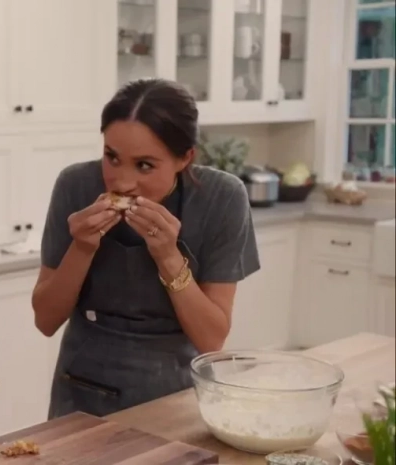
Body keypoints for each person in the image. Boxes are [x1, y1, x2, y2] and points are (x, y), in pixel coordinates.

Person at [33, 78, 260, 420]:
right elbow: (45, 320)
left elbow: (212, 340)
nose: (123, 182)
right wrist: (81, 248)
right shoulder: (75, 185)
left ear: (185, 157)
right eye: (111, 157)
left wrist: (169, 257)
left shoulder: (222, 198)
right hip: (82, 387)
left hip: (176, 390)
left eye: (145, 166)